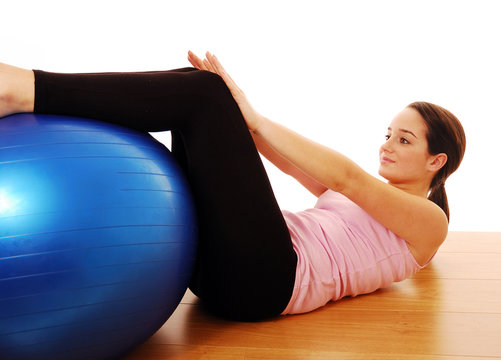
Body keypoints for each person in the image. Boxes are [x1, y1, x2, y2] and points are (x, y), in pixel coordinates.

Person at [0, 52, 466, 321]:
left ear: (436, 160)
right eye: (387, 133)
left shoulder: (429, 223)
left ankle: (22, 89)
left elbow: (348, 177)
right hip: (223, 270)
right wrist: (238, 109)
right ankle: (33, 95)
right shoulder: (363, 201)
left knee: (203, 96)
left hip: (267, 283)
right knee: (197, 87)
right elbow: (280, 159)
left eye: (403, 140)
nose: (386, 145)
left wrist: (240, 111)